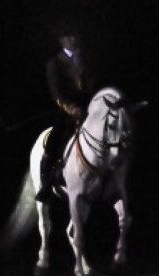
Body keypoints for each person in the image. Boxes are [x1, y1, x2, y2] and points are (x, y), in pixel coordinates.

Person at [35, 28, 96, 203]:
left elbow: (95, 83)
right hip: (68, 111)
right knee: (53, 142)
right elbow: (56, 92)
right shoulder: (54, 63)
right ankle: (45, 185)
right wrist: (71, 108)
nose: (73, 38)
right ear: (62, 40)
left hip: (90, 108)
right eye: (69, 36)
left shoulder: (86, 60)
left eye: (75, 35)